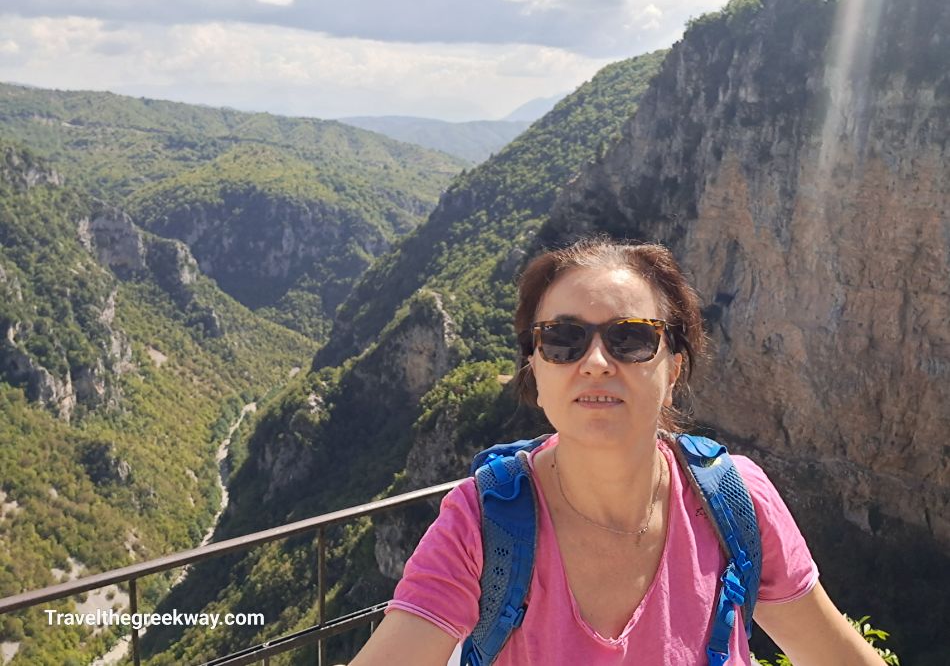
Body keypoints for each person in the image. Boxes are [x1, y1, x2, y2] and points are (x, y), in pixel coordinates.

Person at [350, 238, 885, 665]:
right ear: (535, 369)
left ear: (673, 368)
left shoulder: (736, 500)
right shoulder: (481, 523)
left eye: (630, 338)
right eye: (563, 340)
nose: (597, 362)